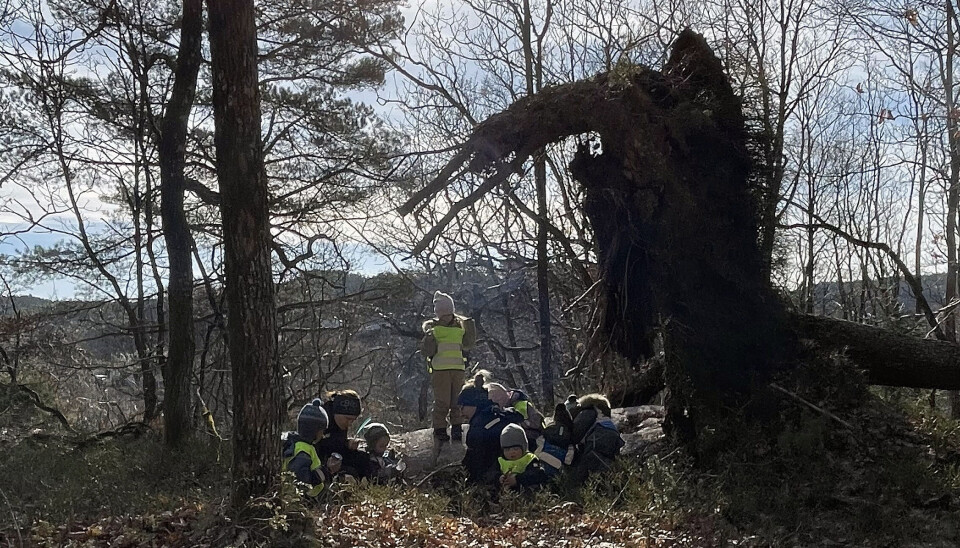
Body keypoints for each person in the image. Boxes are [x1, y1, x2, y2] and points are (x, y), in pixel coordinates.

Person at [421, 291, 476, 442]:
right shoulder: (432, 328)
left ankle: (456, 427)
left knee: (457, 401)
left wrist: (470, 324)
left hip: (457, 369)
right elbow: (426, 351)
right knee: (442, 402)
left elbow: (469, 343)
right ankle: (440, 429)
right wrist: (429, 338)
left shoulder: (461, 326)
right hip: (440, 370)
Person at [458, 373, 523, 484]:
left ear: (473, 404)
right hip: (519, 476)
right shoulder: (502, 415)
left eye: (462, 407)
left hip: (496, 481)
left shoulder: (478, 429)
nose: (461, 413)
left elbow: (475, 464)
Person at [568, 393, 625, 484]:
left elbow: (576, 433)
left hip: (599, 437)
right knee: (607, 465)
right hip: (614, 437)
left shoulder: (588, 412)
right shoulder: (603, 415)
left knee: (587, 467)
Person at [281, 399, 331, 496]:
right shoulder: (303, 450)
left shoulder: (294, 443)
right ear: (314, 431)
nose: (323, 435)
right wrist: (325, 472)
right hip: (302, 499)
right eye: (322, 431)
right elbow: (302, 479)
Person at [315, 389, 368, 479]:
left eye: (353, 420)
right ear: (337, 412)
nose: (350, 424)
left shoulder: (339, 422)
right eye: (347, 419)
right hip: (320, 462)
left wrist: (347, 444)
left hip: (335, 456)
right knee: (350, 472)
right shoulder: (321, 420)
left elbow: (337, 443)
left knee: (363, 458)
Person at [498, 423, 549, 493]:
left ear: (524, 447)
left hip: (525, 492)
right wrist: (499, 478)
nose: (511, 452)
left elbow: (539, 474)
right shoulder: (500, 461)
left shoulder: (530, 459)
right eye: (507, 450)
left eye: (515, 449)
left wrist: (517, 479)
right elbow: (491, 474)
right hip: (505, 494)